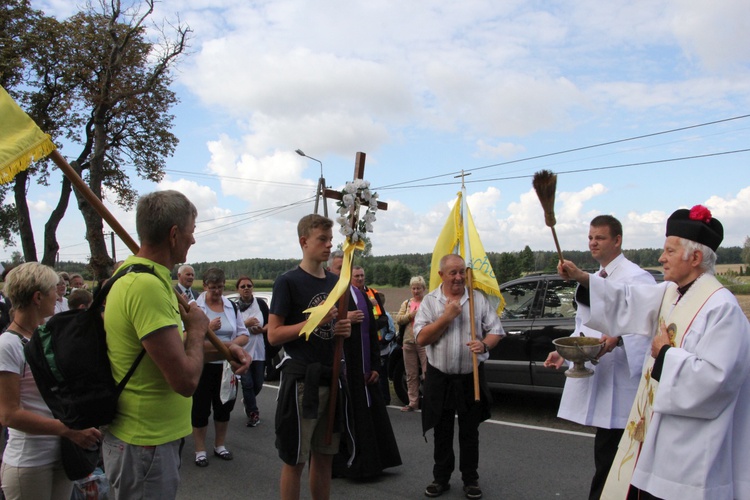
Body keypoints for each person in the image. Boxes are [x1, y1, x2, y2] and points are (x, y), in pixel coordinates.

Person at [558, 205, 750, 500]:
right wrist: (583, 278)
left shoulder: (720, 307)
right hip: (659, 426)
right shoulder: (670, 292)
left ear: (695, 257)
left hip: (693, 443)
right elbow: (625, 300)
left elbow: (718, 380)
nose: (661, 258)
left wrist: (664, 357)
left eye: (670, 251)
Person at [102, 190, 249, 500]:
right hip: (145, 440)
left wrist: (222, 350)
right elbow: (184, 380)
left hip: (148, 439)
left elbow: (162, 350)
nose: (193, 240)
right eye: (191, 231)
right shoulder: (146, 286)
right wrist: (198, 331)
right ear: (173, 234)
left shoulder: (143, 277)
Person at [543, 215, 656, 500]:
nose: (593, 242)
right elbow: (585, 326)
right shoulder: (597, 277)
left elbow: (647, 325)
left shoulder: (636, 277)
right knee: (605, 456)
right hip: (602, 377)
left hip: (624, 384)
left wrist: (618, 339)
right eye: (590, 237)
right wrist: (565, 353)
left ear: (617, 240)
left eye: (600, 237)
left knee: (619, 463)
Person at [268, 214, 352, 500]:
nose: (329, 246)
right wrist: (311, 323)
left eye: (330, 240)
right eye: (322, 240)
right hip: (303, 381)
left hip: (332, 378)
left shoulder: (336, 282)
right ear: (304, 242)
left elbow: (335, 330)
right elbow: (274, 335)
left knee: (325, 458)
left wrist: (343, 327)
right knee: (295, 459)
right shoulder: (288, 282)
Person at [0, 262, 101, 500]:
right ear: (37, 297)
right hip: (30, 462)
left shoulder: (43, 336)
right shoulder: (8, 345)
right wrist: (69, 430)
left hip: (63, 454)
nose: (59, 296)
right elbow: (8, 414)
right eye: (53, 291)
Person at [414, 254, 505, 500]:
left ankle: (470, 479)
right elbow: (421, 338)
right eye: (452, 272)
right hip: (439, 377)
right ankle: (440, 478)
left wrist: (484, 345)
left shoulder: (477, 299)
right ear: (441, 275)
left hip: (469, 377)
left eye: (461, 272)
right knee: (441, 430)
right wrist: (446, 317)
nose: (457, 277)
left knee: (469, 431)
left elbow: (496, 331)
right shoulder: (430, 302)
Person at [329, 258, 401, 479]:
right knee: (343, 417)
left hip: (364, 366)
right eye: (339, 268)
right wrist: (342, 318)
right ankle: (344, 464)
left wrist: (376, 365)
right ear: (330, 270)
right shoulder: (326, 293)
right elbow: (314, 329)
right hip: (340, 370)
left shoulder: (361, 295)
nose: (344, 272)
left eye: (347, 268)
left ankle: (373, 461)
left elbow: (371, 332)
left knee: (369, 415)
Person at [192, 268, 249, 466]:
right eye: (213, 287)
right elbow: (189, 339)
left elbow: (243, 334)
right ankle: (200, 449)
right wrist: (215, 335)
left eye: (220, 287)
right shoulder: (195, 307)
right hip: (202, 365)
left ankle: (220, 445)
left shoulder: (231, 307)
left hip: (226, 366)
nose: (217, 291)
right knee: (200, 409)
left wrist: (233, 345)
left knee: (224, 406)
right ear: (205, 286)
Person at [235, 275, 268, 428]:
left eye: (249, 285)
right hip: (242, 351)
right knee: (247, 383)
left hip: (259, 350)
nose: (246, 288)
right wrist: (245, 324)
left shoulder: (260, 304)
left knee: (258, 383)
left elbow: (271, 322)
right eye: (243, 286)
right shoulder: (233, 307)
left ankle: (248, 400)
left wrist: (263, 329)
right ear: (238, 290)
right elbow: (231, 329)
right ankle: (253, 414)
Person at [395, 275, 429, 412]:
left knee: (428, 373)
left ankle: (429, 401)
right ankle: (412, 402)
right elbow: (399, 319)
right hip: (408, 341)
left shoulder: (428, 303)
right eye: (414, 288)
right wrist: (411, 315)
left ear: (424, 289)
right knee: (411, 374)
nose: (416, 291)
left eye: (418, 288)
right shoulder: (407, 303)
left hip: (425, 341)